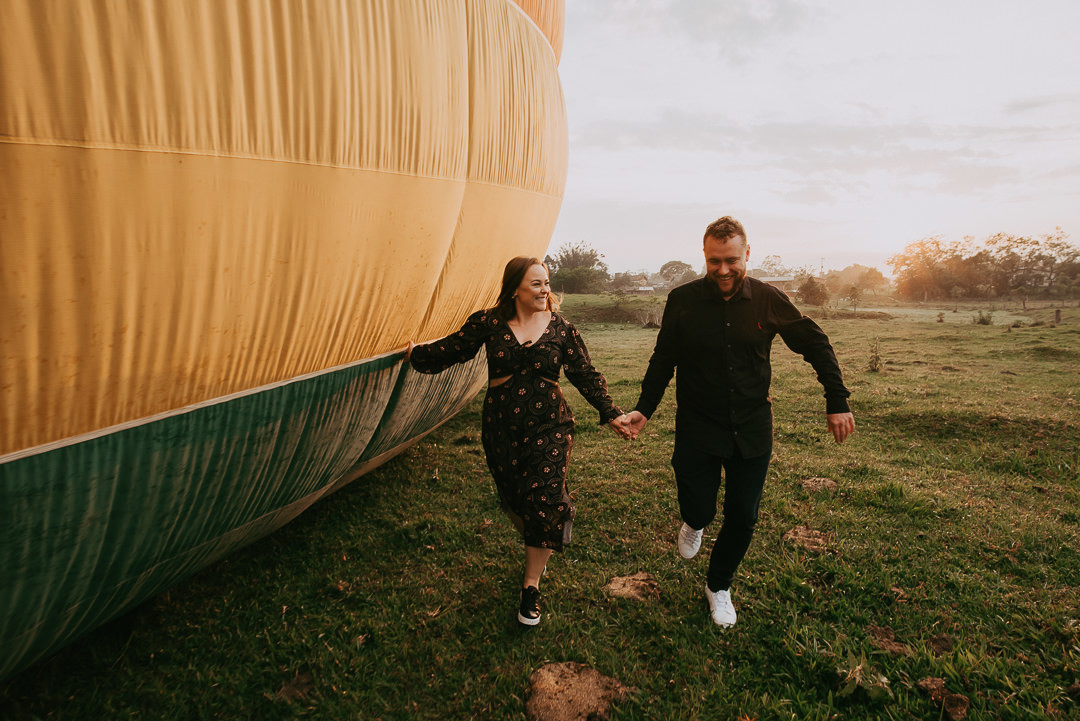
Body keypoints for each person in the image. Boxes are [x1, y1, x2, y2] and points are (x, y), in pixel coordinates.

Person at [624, 216, 855, 628]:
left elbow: (814, 343)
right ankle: (694, 522)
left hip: (751, 425)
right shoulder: (683, 300)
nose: (724, 270)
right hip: (698, 424)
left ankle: (719, 586)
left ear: (747, 254)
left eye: (732, 260)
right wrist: (645, 407)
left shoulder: (768, 299)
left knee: (743, 515)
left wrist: (836, 400)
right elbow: (664, 359)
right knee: (700, 506)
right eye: (715, 261)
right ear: (705, 257)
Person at [406, 257, 632, 627]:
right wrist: (417, 354)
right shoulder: (488, 323)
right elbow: (454, 349)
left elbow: (585, 374)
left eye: (547, 283)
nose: (546, 290)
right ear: (515, 289)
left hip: (551, 426)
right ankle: (553, 517)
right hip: (502, 429)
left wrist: (612, 414)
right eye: (537, 284)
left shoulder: (562, 329)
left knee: (541, 501)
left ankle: (531, 586)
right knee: (517, 501)